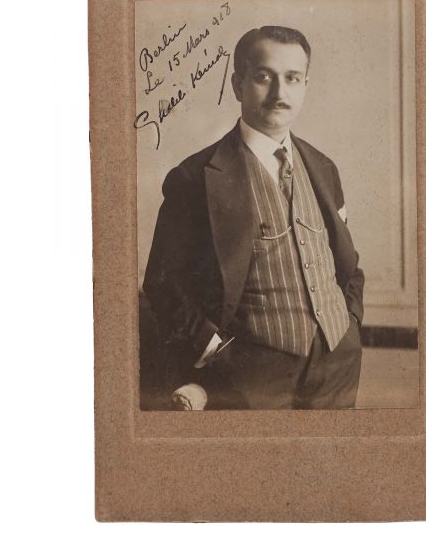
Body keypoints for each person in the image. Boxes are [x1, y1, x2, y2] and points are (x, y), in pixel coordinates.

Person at [143, 25, 364, 410]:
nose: (280, 93)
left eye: (292, 78)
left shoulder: (324, 167)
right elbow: (163, 283)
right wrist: (214, 351)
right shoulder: (195, 177)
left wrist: (351, 326)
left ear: (305, 85)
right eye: (264, 77)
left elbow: (345, 263)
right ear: (237, 85)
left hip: (336, 366)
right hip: (249, 377)